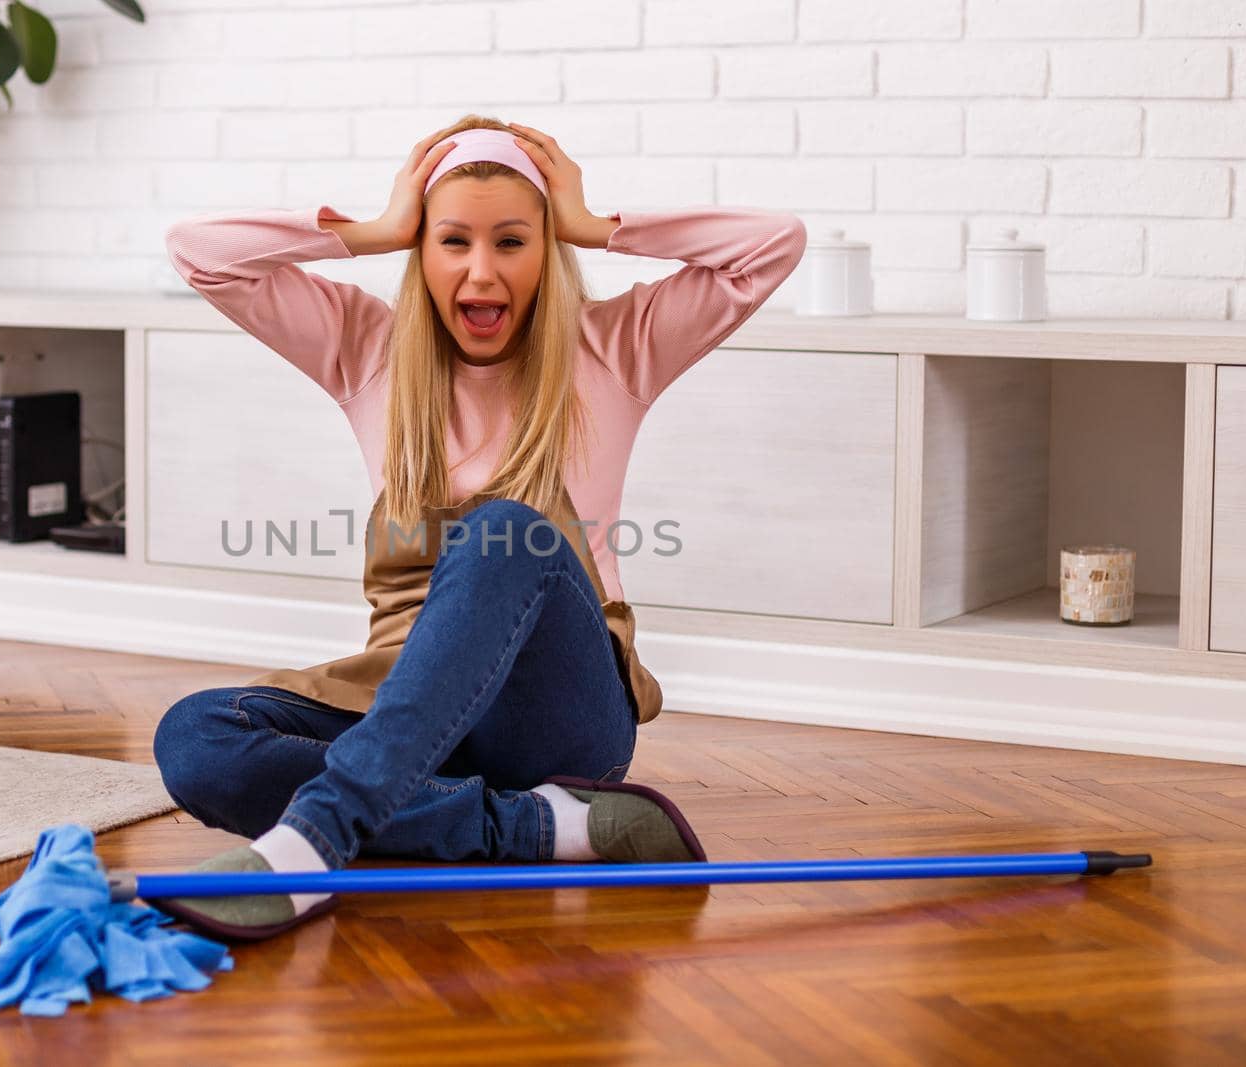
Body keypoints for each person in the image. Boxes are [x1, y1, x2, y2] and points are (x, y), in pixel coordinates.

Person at [151, 116, 807, 940]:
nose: (481, 271)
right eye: (451, 240)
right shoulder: (368, 350)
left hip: (560, 724)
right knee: (196, 738)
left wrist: (595, 225)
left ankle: (319, 836)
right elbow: (198, 252)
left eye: (512, 241)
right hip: (409, 722)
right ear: (421, 252)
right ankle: (541, 828)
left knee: (507, 532)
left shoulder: (612, 350)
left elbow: (774, 244)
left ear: (547, 251)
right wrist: (370, 231)